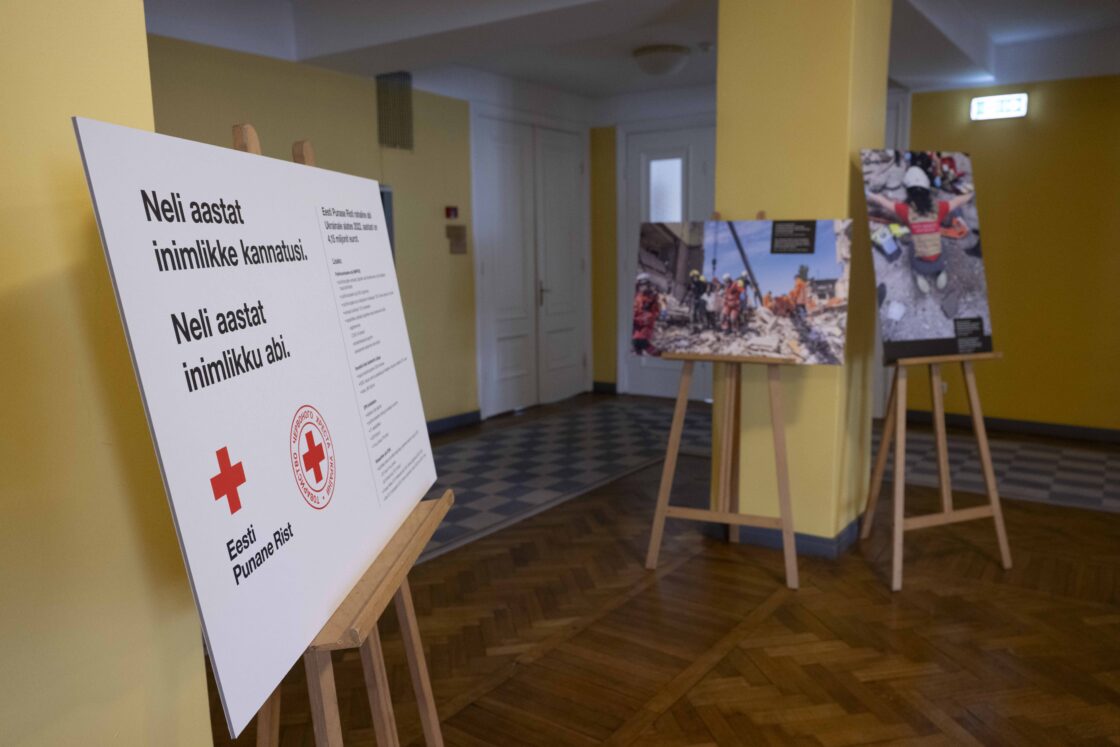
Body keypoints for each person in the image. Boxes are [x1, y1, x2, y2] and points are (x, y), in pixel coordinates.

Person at [867, 166, 973, 294]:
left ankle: (919, 275)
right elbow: (957, 201)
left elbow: (884, 203)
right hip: (939, 262)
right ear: (927, 190)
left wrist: (869, 194)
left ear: (908, 192)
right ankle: (941, 272)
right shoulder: (939, 207)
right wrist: (972, 193)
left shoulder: (905, 210)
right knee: (940, 243)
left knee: (912, 245)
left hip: (920, 265)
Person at [631, 273, 661, 355]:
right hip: (636, 324)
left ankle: (657, 354)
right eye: (640, 285)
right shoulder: (638, 296)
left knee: (639, 340)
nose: (642, 287)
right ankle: (639, 359)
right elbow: (635, 309)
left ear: (648, 284)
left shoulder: (651, 298)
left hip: (645, 326)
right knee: (636, 345)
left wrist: (641, 319)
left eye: (644, 284)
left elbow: (653, 313)